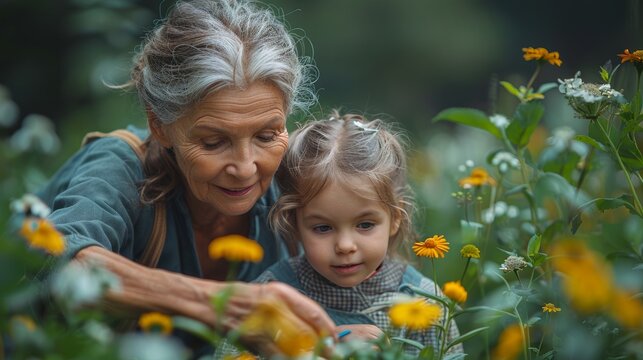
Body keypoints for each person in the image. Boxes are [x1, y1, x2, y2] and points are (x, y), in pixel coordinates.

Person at [32, 0, 335, 355]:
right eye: (213, 142)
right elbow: (53, 257)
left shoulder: (292, 187)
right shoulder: (120, 169)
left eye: (267, 136)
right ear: (159, 125)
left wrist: (344, 337)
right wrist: (223, 305)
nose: (246, 167)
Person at [256, 112, 462, 356]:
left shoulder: (423, 302)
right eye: (323, 228)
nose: (345, 246)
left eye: (365, 225)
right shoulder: (273, 297)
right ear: (294, 224)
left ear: (395, 218)